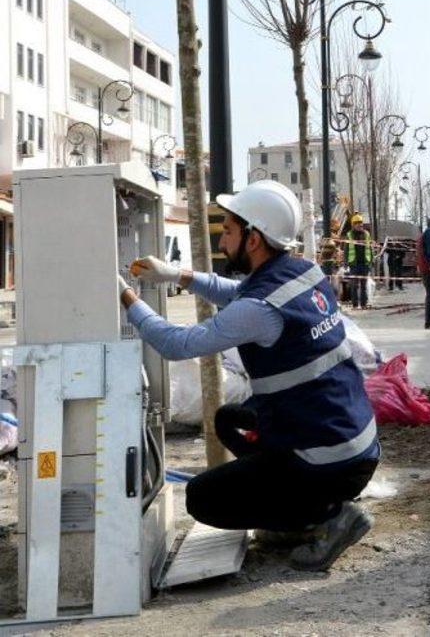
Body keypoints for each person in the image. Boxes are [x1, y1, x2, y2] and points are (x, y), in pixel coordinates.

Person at [118, 180, 379, 571]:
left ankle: (324, 516)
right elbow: (238, 293)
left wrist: (126, 296)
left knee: (203, 498)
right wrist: (176, 275)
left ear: (254, 239)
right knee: (228, 419)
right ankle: (303, 509)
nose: (223, 242)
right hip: (352, 437)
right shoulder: (301, 272)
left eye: (229, 232)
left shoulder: (260, 309)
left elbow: (175, 343)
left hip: (328, 457)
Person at [345, 214, 373, 310]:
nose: (360, 225)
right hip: (354, 264)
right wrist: (346, 263)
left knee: (364, 285)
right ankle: (355, 305)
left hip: (365, 263)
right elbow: (346, 250)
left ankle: (364, 304)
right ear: (353, 225)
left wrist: (371, 261)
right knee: (354, 286)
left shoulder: (366, 234)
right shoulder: (349, 235)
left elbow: (370, 248)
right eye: (357, 223)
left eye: (361, 223)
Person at [417, 218, 430, 328]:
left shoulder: (422, 236)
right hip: (429, 270)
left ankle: (429, 321)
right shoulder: (428, 237)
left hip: (424, 269)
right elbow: (428, 254)